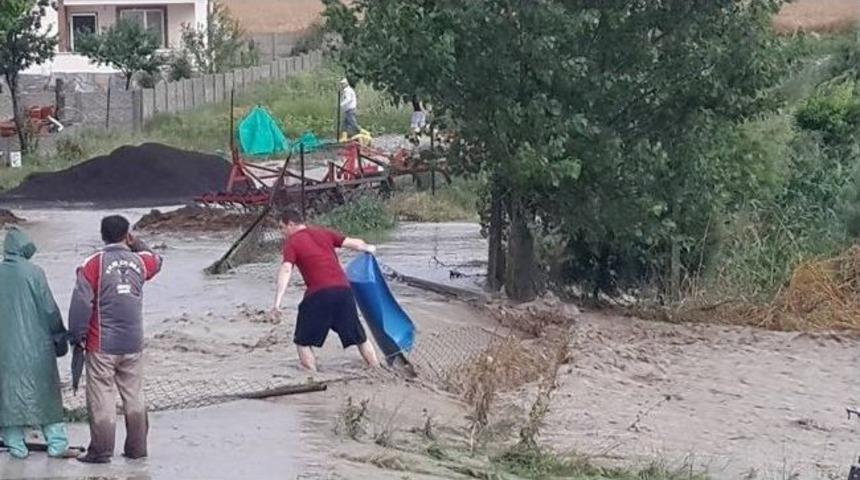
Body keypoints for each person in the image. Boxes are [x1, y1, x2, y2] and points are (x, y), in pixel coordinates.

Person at [68, 215, 163, 464]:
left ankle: (101, 451)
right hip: (133, 342)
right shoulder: (141, 262)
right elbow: (157, 260)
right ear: (127, 235)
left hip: (101, 343)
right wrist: (136, 242)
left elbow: (81, 303)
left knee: (102, 397)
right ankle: (137, 449)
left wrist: (77, 336)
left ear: (102, 235)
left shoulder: (93, 264)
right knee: (134, 395)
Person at [0, 227, 76, 459]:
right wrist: (60, 338)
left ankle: (17, 447)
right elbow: (49, 309)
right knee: (46, 396)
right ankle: (57, 444)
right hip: (37, 348)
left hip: (4, 350)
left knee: (7, 398)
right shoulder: (35, 273)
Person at [273, 209, 380, 371]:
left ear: (291, 224)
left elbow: (286, 269)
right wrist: (369, 247)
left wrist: (277, 303)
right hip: (344, 292)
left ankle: (312, 376)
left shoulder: (292, 242)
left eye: (282, 228)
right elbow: (356, 244)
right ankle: (377, 370)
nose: (282, 233)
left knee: (302, 342)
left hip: (318, 295)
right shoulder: (324, 233)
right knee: (360, 338)